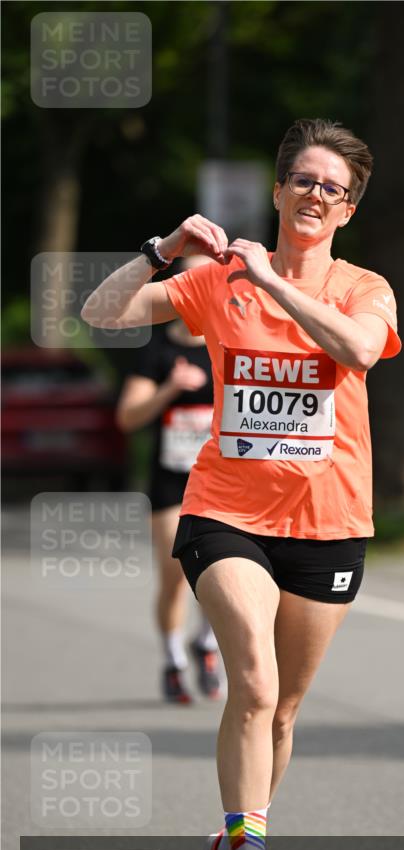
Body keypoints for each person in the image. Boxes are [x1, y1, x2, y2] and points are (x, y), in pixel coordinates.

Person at [81, 117, 400, 850]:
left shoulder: (364, 288)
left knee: (284, 711)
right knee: (253, 686)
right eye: (303, 180)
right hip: (225, 511)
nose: (315, 194)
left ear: (347, 210)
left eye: (333, 187)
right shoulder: (216, 280)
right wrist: (163, 248)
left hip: (330, 524)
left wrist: (273, 281)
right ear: (278, 190)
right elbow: (99, 311)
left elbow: (358, 352)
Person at [115, 256, 225, 705]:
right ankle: (174, 660)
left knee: (222, 575)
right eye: (191, 279)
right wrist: (171, 389)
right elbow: (127, 417)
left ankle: (208, 645)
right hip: (171, 483)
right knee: (175, 576)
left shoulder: (231, 345)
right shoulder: (157, 352)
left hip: (222, 481)